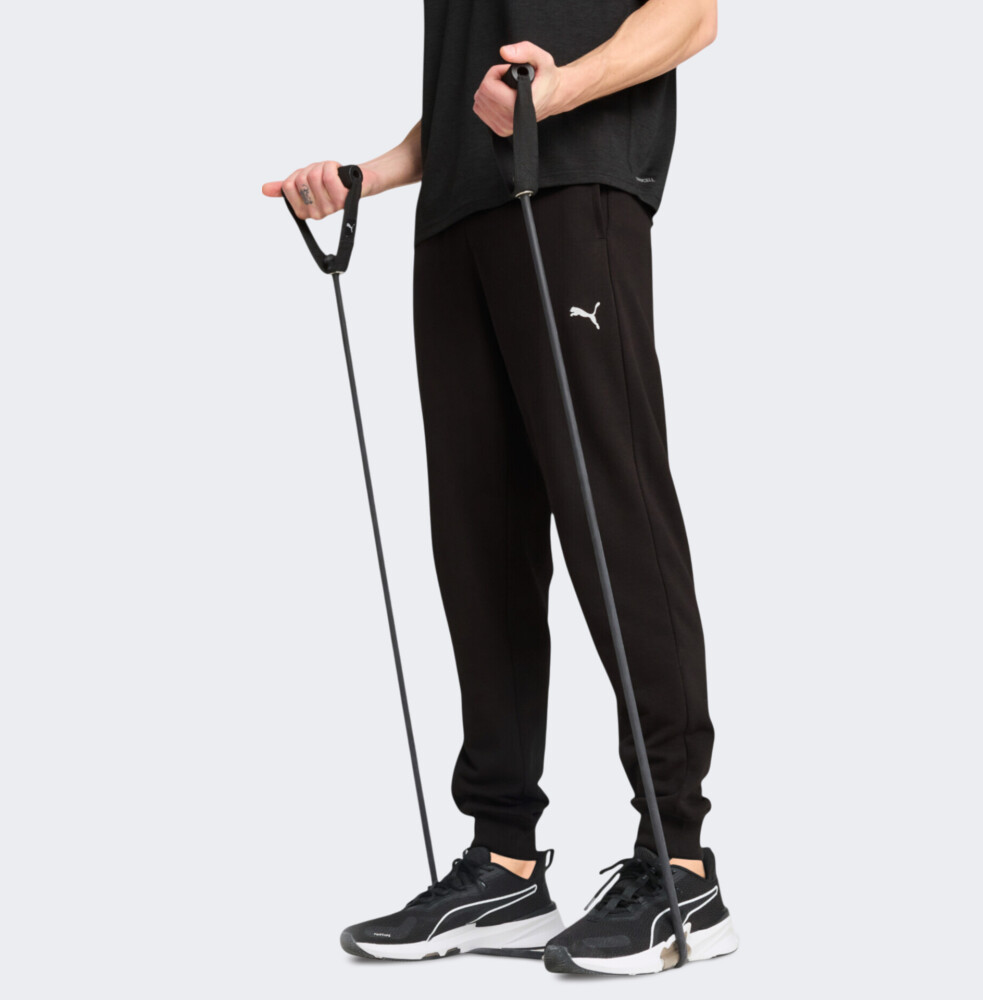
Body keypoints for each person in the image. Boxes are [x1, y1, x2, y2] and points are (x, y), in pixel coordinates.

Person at [263, 0, 738, 977]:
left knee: (612, 513)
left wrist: (559, 91)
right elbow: (466, 99)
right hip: (456, 216)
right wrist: (369, 174)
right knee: (479, 539)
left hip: (572, 187)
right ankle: (505, 863)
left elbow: (692, 15)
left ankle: (682, 862)